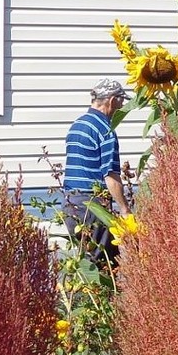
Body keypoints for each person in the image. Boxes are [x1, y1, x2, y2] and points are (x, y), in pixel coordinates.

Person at [62, 78, 131, 264]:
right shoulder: (105, 130)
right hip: (92, 206)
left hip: (69, 203)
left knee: (84, 263)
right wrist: (125, 210)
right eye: (121, 100)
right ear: (112, 100)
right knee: (104, 265)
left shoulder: (77, 125)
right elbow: (110, 175)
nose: (122, 105)